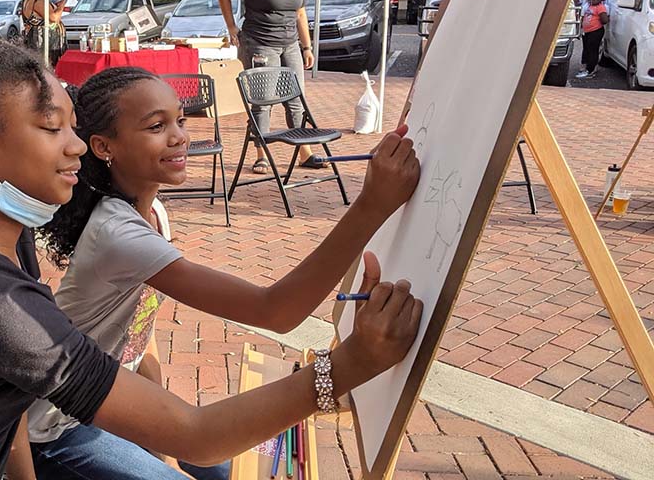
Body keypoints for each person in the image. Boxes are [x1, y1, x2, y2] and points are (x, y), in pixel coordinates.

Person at [0, 0, 423, 480]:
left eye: (73, 125)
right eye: (50, 127)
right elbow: (199, 434)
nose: (76, 146)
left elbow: (3, 394)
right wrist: (349, 365)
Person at [29, 67, 422, 479]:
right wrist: (372, 205)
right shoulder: (117, 234)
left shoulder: (152, 215)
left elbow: (141, 336)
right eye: (156, 126)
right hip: (57, 427)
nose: (180, 136)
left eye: (180, 120)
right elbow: (275, 312)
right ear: (104, 146)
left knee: (239, 470)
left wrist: (158, 427)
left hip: (109, 399)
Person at [217, 0, 319, 175]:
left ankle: (303, 151)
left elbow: (300, 12)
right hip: (260, 44)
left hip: (291, 45)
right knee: (263, 101)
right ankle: (262, 154)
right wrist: (231, 27)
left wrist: (307, 47)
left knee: (297, 99)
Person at [18, 0, 68, 64]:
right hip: (45, 44)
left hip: (40, 42)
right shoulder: (37, 0)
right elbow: (53, 18)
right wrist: (61, 6)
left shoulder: (27, 0)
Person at [577, 0, 609, 79]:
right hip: (587, 32)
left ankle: (590, 70)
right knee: (587, 49)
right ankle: (586, 68)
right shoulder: (589, 6)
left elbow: (605, 20)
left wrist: (596, 24)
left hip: (596, 32)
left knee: (592, 51)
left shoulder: (600, 7)